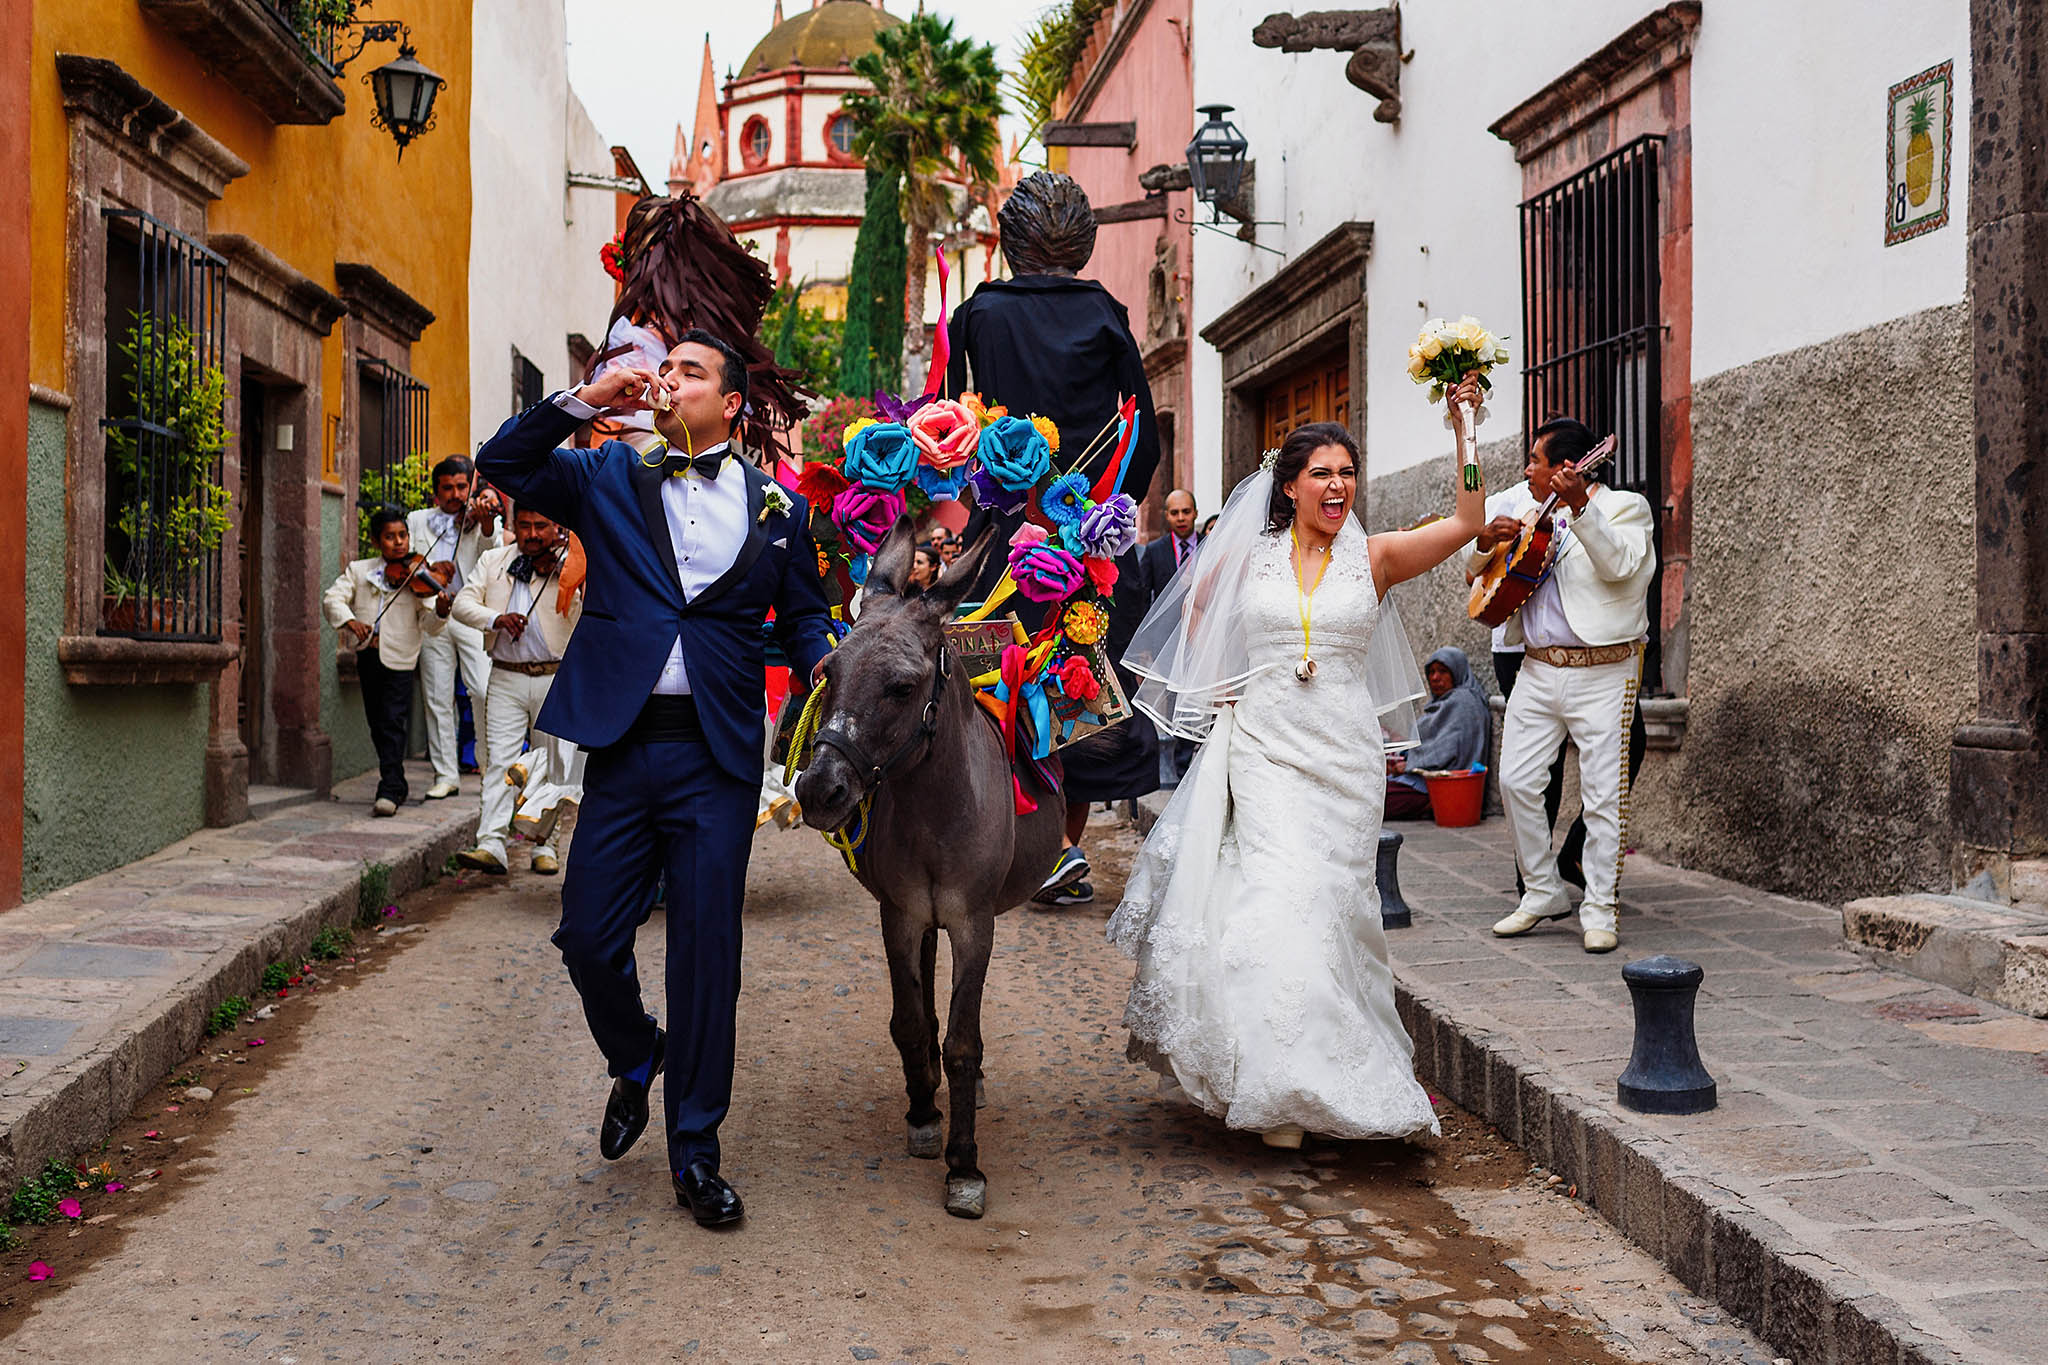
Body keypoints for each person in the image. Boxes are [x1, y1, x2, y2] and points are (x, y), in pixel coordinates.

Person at [475, 328, 835, 1228]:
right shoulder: (605, 476)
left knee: (708, 957)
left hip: (716, 756)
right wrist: (592, 401)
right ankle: (636, 1052)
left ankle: (696, 1151)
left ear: (731, 404)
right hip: (625, 745)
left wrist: (834, 673)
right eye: (665, 367)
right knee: (589, 934)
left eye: (690, 371)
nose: (669, 380)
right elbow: (504, 458)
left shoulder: (778, 512)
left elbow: (804, 621)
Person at [1110, 376, 1487, 1149]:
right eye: (1322, 471)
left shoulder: (1375, 558)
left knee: (1333, 908)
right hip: (1266, 744)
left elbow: (1468, 522)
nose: (1338, 483)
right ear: (1289, 485)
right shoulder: (1249, 555)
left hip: (1346, 758)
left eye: (1347, 471)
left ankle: (1330, 1066)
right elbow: (1197, 612)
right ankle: (1277, 1085)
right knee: (1277, 898)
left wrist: (1468, 432)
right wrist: (1224, 693)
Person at [943, 171, 1163, 907]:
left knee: (992, 686)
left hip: (1000, 546)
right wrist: (1102, 519)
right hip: (1089, 548)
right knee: (1079, 689)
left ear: (1011, 243)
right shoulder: (1107, 314)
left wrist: (984, 513)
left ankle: (1012, 842)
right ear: (1083, 243)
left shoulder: (977, 316)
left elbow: (952, 425)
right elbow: (1147, 439)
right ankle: (1063, 846)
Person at [1471, 417, 1655, 954]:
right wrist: (1486, 543)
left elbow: (1622, 565)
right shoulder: (1529, 513)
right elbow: (1476, 570)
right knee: (1516, 782)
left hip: (1604, 670)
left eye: (1536, 459)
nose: (1527, 468)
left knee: (1603, 795)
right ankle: (1543, 891)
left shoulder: (1627, 508)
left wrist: (1580, 509)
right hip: (1536, 666)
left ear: (1566, 468)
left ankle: (1600, 907)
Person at [450, 505, 583, 877]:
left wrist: (575, 566)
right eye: (524, 526)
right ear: (513, 526)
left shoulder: (569, 562)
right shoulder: (494, 560)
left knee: (552, 766)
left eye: (541, 526)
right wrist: (496, 619)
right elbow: (462, 603)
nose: (533, 534)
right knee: (499, 761)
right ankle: (491, 842)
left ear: (555, 526)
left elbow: (588, 611)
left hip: (555, 677)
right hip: (505, 676)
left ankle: (546, 844)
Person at [321, 507, 452, 815]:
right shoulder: (359, 569)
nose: (399, 543)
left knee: (393, 721)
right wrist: (351, 622)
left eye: (403, 536)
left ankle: (390, 788)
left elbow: (429, 624)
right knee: (378, 724)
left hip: (402, 657)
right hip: (369, 654)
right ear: (375, 540)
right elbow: (332, 599)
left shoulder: (419, 575)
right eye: (390, 537)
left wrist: (442, 612)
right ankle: (397, 781)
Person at [407, 456, 503, 800]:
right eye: (447, 487)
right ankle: (445, 774)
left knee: (480, 689)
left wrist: (485, 526)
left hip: (468, 612)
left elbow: (493, 559)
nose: (455, 493)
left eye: (462, 486)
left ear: (470, 487)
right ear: (436, 492)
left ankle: (488, 765)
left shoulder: (481, 518)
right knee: (436, 697)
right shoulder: (417, 521)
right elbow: (411, 563)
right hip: (434, 614)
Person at [1386, 647, 1491, 820]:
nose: (1435, 678)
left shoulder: (1463, 702)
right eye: (1432, 672)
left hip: (1437, 786)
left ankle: (1430, 805)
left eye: (1443, 671)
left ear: (1457, 672)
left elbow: (1448, 749)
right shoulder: (1445, 703)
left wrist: (1410, 764)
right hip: (1421, 781)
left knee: (1371, 800)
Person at [1137, 489, 1201, 602]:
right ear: (1167, 515)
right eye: (1174, 513)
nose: (1181, 518)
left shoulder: (1209, 545)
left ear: (1195, 513)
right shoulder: (1154, 551)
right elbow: (1143, 595)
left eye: (1186, 512)